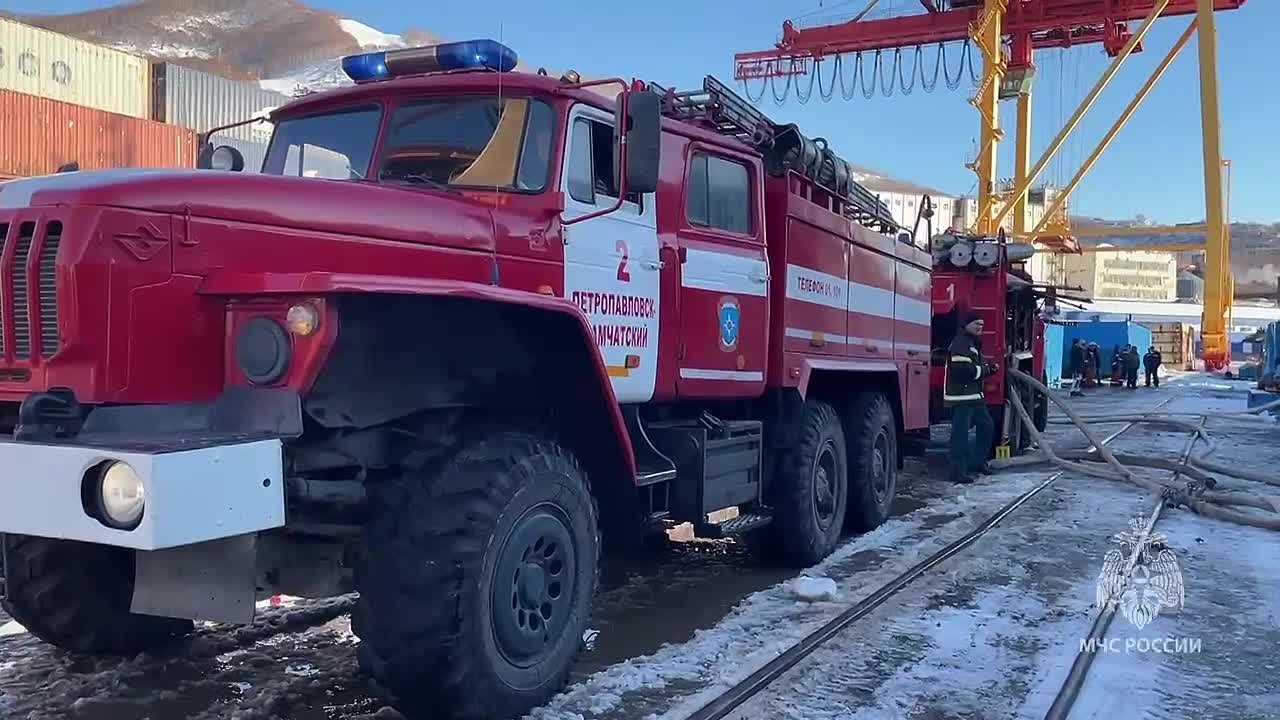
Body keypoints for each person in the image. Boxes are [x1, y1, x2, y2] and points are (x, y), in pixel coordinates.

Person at [944, 311, 997, 484]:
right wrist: (987, 370)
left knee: (987, 426)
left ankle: (977, 462)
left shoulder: (972, 343)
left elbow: (972, 367)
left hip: (973, 397)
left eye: (982, 325)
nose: (980, 327)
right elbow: (962, 371)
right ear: (966, 325)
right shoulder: (961, 343)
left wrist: (985, 367)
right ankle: (957, 471)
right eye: (976, 324)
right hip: (961, 398)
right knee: (960, 435)